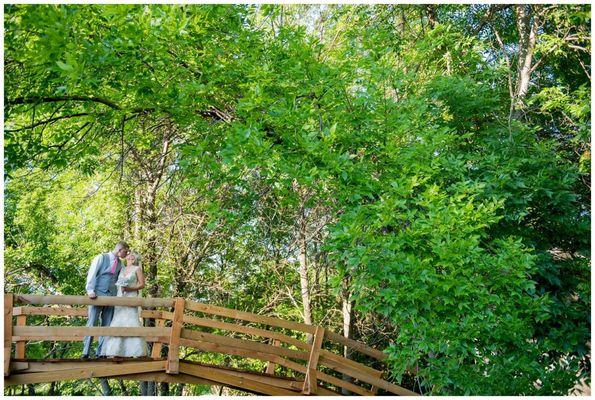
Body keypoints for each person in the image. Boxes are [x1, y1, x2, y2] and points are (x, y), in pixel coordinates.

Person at [82, 241, 129, 358]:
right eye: (125, 251)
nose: (126, 254)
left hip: (111, 296)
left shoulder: (120, 264)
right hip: (97, 295)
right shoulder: (101, 258)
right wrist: (90, 291)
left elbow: (122, 279)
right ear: (119, 249)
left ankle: (101, 352)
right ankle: (85, 352)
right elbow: (92, 273)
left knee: (107, 325)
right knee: (92, 322)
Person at [101, 251, 148, 357]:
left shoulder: (137, 269)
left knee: (131, 319)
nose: (130, 257)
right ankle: (115, 350)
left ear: (135, 258)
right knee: (118, 320)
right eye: (129, 255)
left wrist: (129, 288)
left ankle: (134, 351)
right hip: (120, 296)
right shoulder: (122, 268)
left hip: (131, 296)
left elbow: (142, 285)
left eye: (133, 256)